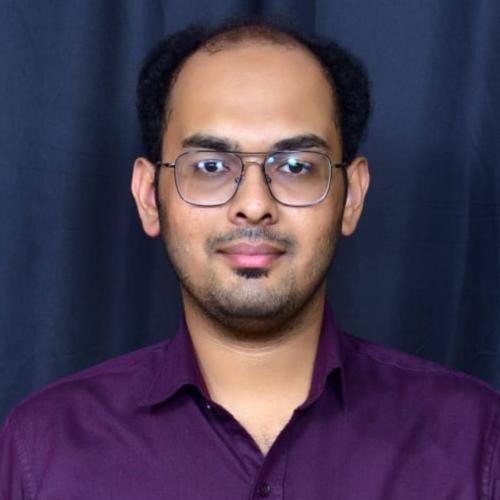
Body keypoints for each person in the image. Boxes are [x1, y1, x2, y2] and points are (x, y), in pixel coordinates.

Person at [1, 19, 499, 500]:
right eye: (210, 166)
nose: (255, 204)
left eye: (296, 166)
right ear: (150, 197)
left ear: (351, 197)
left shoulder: (477, 442)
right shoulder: (42, 453)